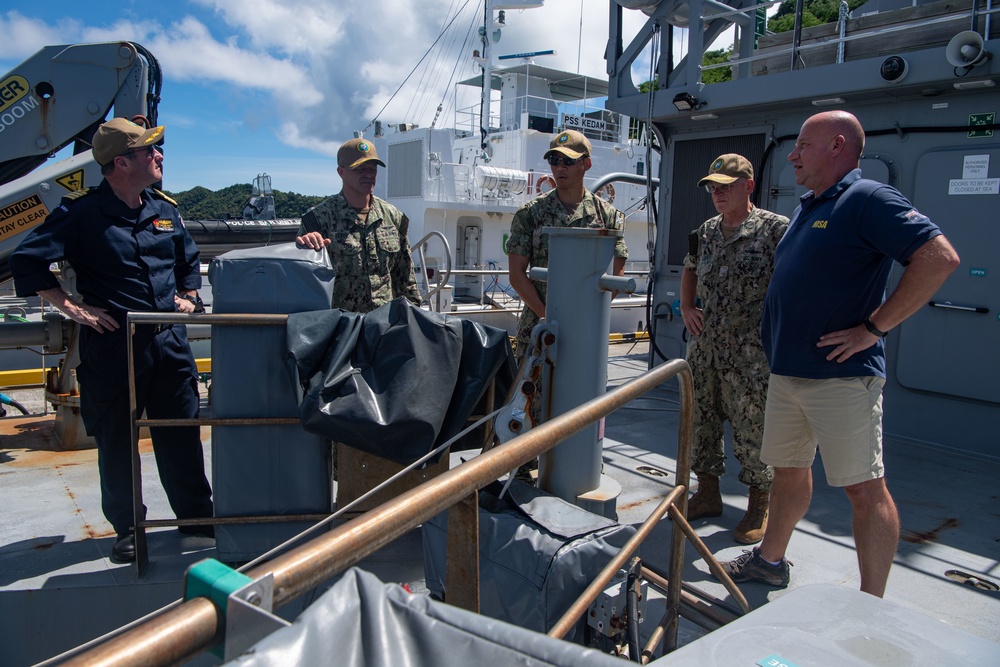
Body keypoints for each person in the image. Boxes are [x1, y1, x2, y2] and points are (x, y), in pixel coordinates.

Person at [718, 110, 960, 597]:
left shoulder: (866, 199)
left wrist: (873, 328)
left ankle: (871, 602)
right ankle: (770, 560)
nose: (792, 154)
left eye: (804, 145)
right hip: (788, 374)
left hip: (841, 376)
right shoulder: (811, 206)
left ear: (837, 146)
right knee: (789, 472)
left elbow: (938, 258)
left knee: (864, 490)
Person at [10, 117, 214, 563]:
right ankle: (129, 528)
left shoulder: (164, 209)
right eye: (150, 152)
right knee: (118, 443)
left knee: (180, 435)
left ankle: (197, 521)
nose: (159, 157)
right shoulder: (81, 214)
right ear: (121, 163)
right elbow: (27, 260)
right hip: (115, 347)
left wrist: (190, 296)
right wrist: (70, 307)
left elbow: (188, 258)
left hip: (169, 345)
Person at [681, 154, 788, 544]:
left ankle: (760, 503)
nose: (717, 193)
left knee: (752, 430)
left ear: (749, 185)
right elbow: (690, 267)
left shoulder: (775, 230)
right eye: (713, 187)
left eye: (725, 186)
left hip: (751, 356)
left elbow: (791, 284)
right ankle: (707, 493)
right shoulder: (707, 231)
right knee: (701, 423)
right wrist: (687, 306)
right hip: (706, 351)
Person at [507, 129, 628, 361]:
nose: (560, 167)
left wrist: (583, 317)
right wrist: (548, 317)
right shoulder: (530, 213)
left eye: (569, 161)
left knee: (582, 397)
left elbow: (617, 277)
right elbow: (516, 274)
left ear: (587, 164)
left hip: (586, 333)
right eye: (554, 160)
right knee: (533, 396)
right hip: (539, 332)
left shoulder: (609, 217)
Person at [296, 138, 420, 313]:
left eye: (372, 169)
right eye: (360, 169)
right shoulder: (318, 220)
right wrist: (305, 244)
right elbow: (305, 284)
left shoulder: (394, 217)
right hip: (340, 327)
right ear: (341, 172)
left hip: (383, 327)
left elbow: (405, 277)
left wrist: (414, 319)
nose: (368, 174)